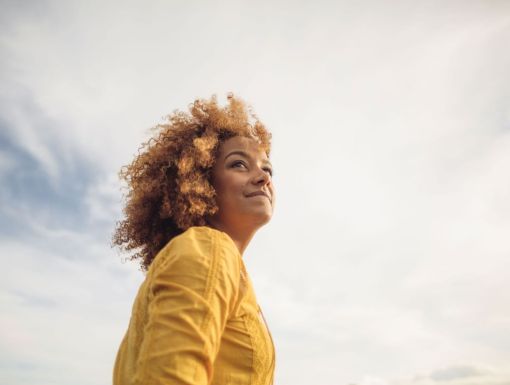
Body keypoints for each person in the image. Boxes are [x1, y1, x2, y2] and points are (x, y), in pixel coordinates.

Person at [112, 94, 276, 385]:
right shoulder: (209, 248)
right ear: (200, 182)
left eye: (267, 168)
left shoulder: (214, 259)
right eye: (239, 164)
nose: (263, 177)